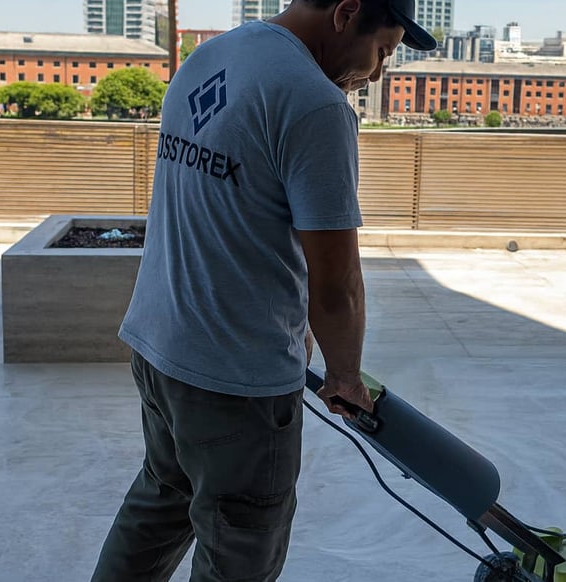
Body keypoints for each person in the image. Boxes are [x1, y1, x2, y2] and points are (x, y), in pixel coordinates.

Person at [91, 1, 436, 580]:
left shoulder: (212, 55)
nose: (377, 75)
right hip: (234, 379)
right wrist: (346, 377)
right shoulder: (315, 103)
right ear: (346, 13)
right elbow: (336, 283)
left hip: (157, 344)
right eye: (383, 52)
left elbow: (227, 211)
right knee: (240, 549)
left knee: (163, 498)